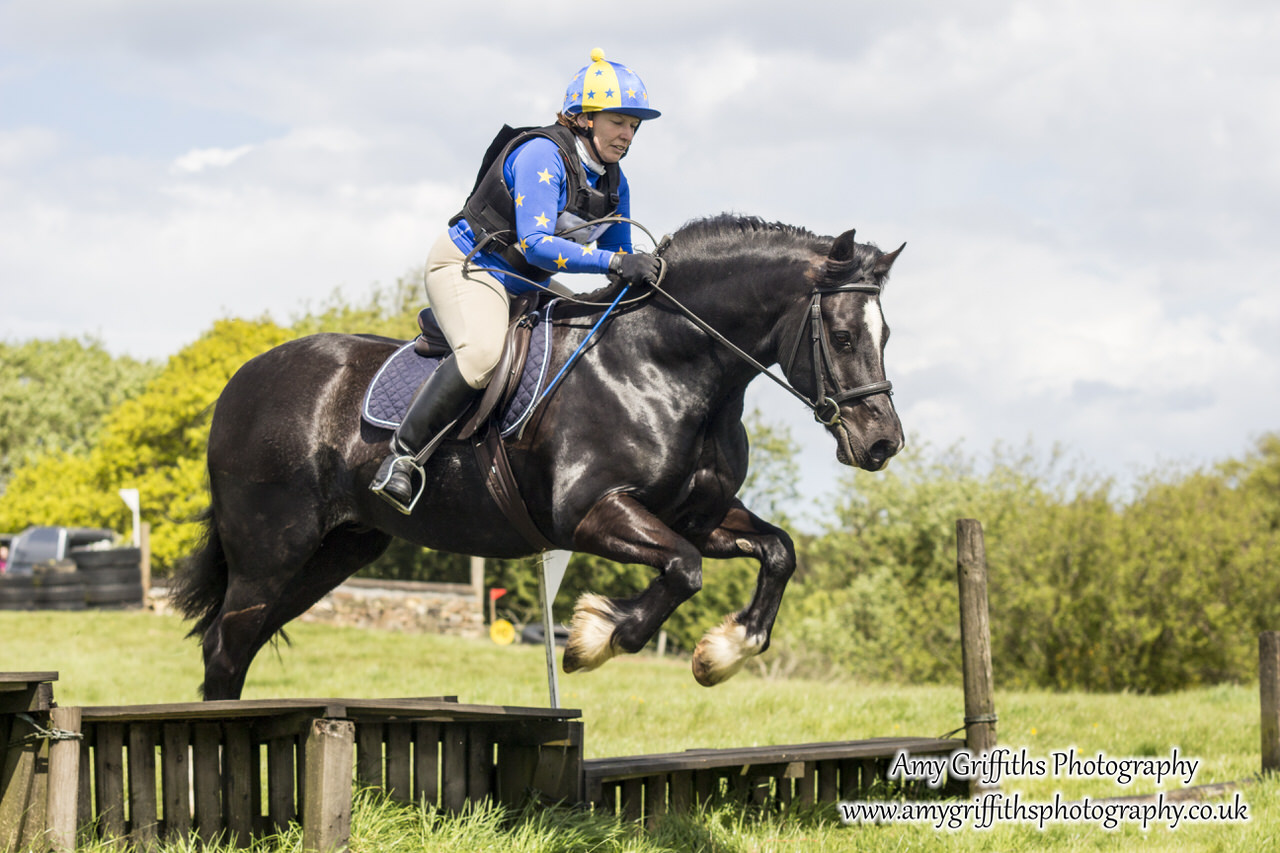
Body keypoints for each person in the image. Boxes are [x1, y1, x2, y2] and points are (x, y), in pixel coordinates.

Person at [372, 48, 663, 513]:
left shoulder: (614, 181)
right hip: (471, 267)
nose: (628, 135)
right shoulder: (541, 154)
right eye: (619, 122)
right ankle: (403, 459)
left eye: (634, 126)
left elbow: (624, 253)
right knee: (484, 354)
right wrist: (611, 266)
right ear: (584, 119)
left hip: (527, 286)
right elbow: (536, 245)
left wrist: (648, 271)